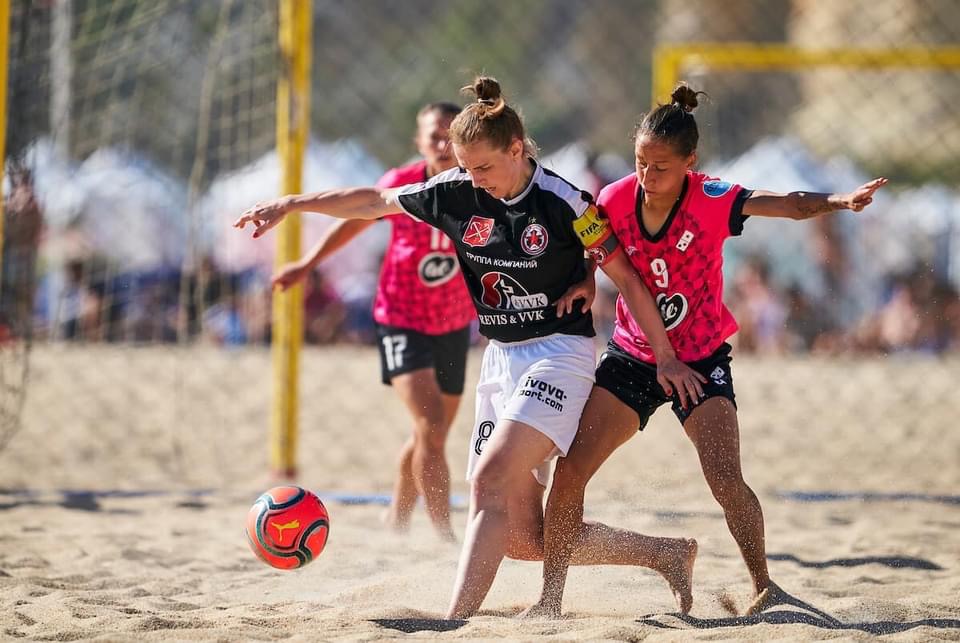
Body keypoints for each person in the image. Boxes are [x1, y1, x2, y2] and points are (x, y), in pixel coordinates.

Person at [235, 76, 706, 619]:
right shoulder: (454, 190)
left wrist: (665, 355)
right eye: (465, 167)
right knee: (522, 538)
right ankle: (664, 554)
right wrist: (291, 204)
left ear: (516, 149)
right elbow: (373, 202)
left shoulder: (566, 202)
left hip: (559, 355)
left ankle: (453, 621)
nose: (474, 180)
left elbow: (626, 277)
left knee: (487, 481)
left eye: (483, 167)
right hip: (500, 359)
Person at [524, 83, 887, 618]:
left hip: (698, 360)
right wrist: (583, 278)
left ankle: (764, 586)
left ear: (690, 162)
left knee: (725, 480)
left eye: (661, 166)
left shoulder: (713, 199)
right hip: (634, 356)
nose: (647, 176)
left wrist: (837, 201)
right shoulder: (614, 199)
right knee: (571, 472)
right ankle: (549, 599)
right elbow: (593, 246)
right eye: (641, 163)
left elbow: (786, 205)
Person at [271, 102, 474, 542]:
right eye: (433, 135)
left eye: (450, 135)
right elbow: (355, 220)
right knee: (431, 429)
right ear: (418, 143)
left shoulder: (479, 182)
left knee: (430, 434)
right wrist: (307, 264)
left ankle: (395, 524)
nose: (442, 144)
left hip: (455, 321)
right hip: (403, 318)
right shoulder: (402, 183)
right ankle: (446, 538)